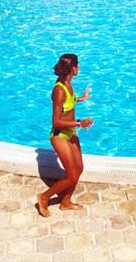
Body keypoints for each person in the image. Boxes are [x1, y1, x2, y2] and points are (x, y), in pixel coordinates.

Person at [37, 53, 92, 218]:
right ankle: (44, 197)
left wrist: (80, 98)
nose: (79, 68)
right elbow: (56, 122)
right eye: (78, 65)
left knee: (79, 168)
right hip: (60, 135)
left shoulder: (68, 84)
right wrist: (79, 123)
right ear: (73, 68)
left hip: (71, 132)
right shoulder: (59, 90)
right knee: (72, 175)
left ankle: (65, 202)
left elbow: (69, 103)